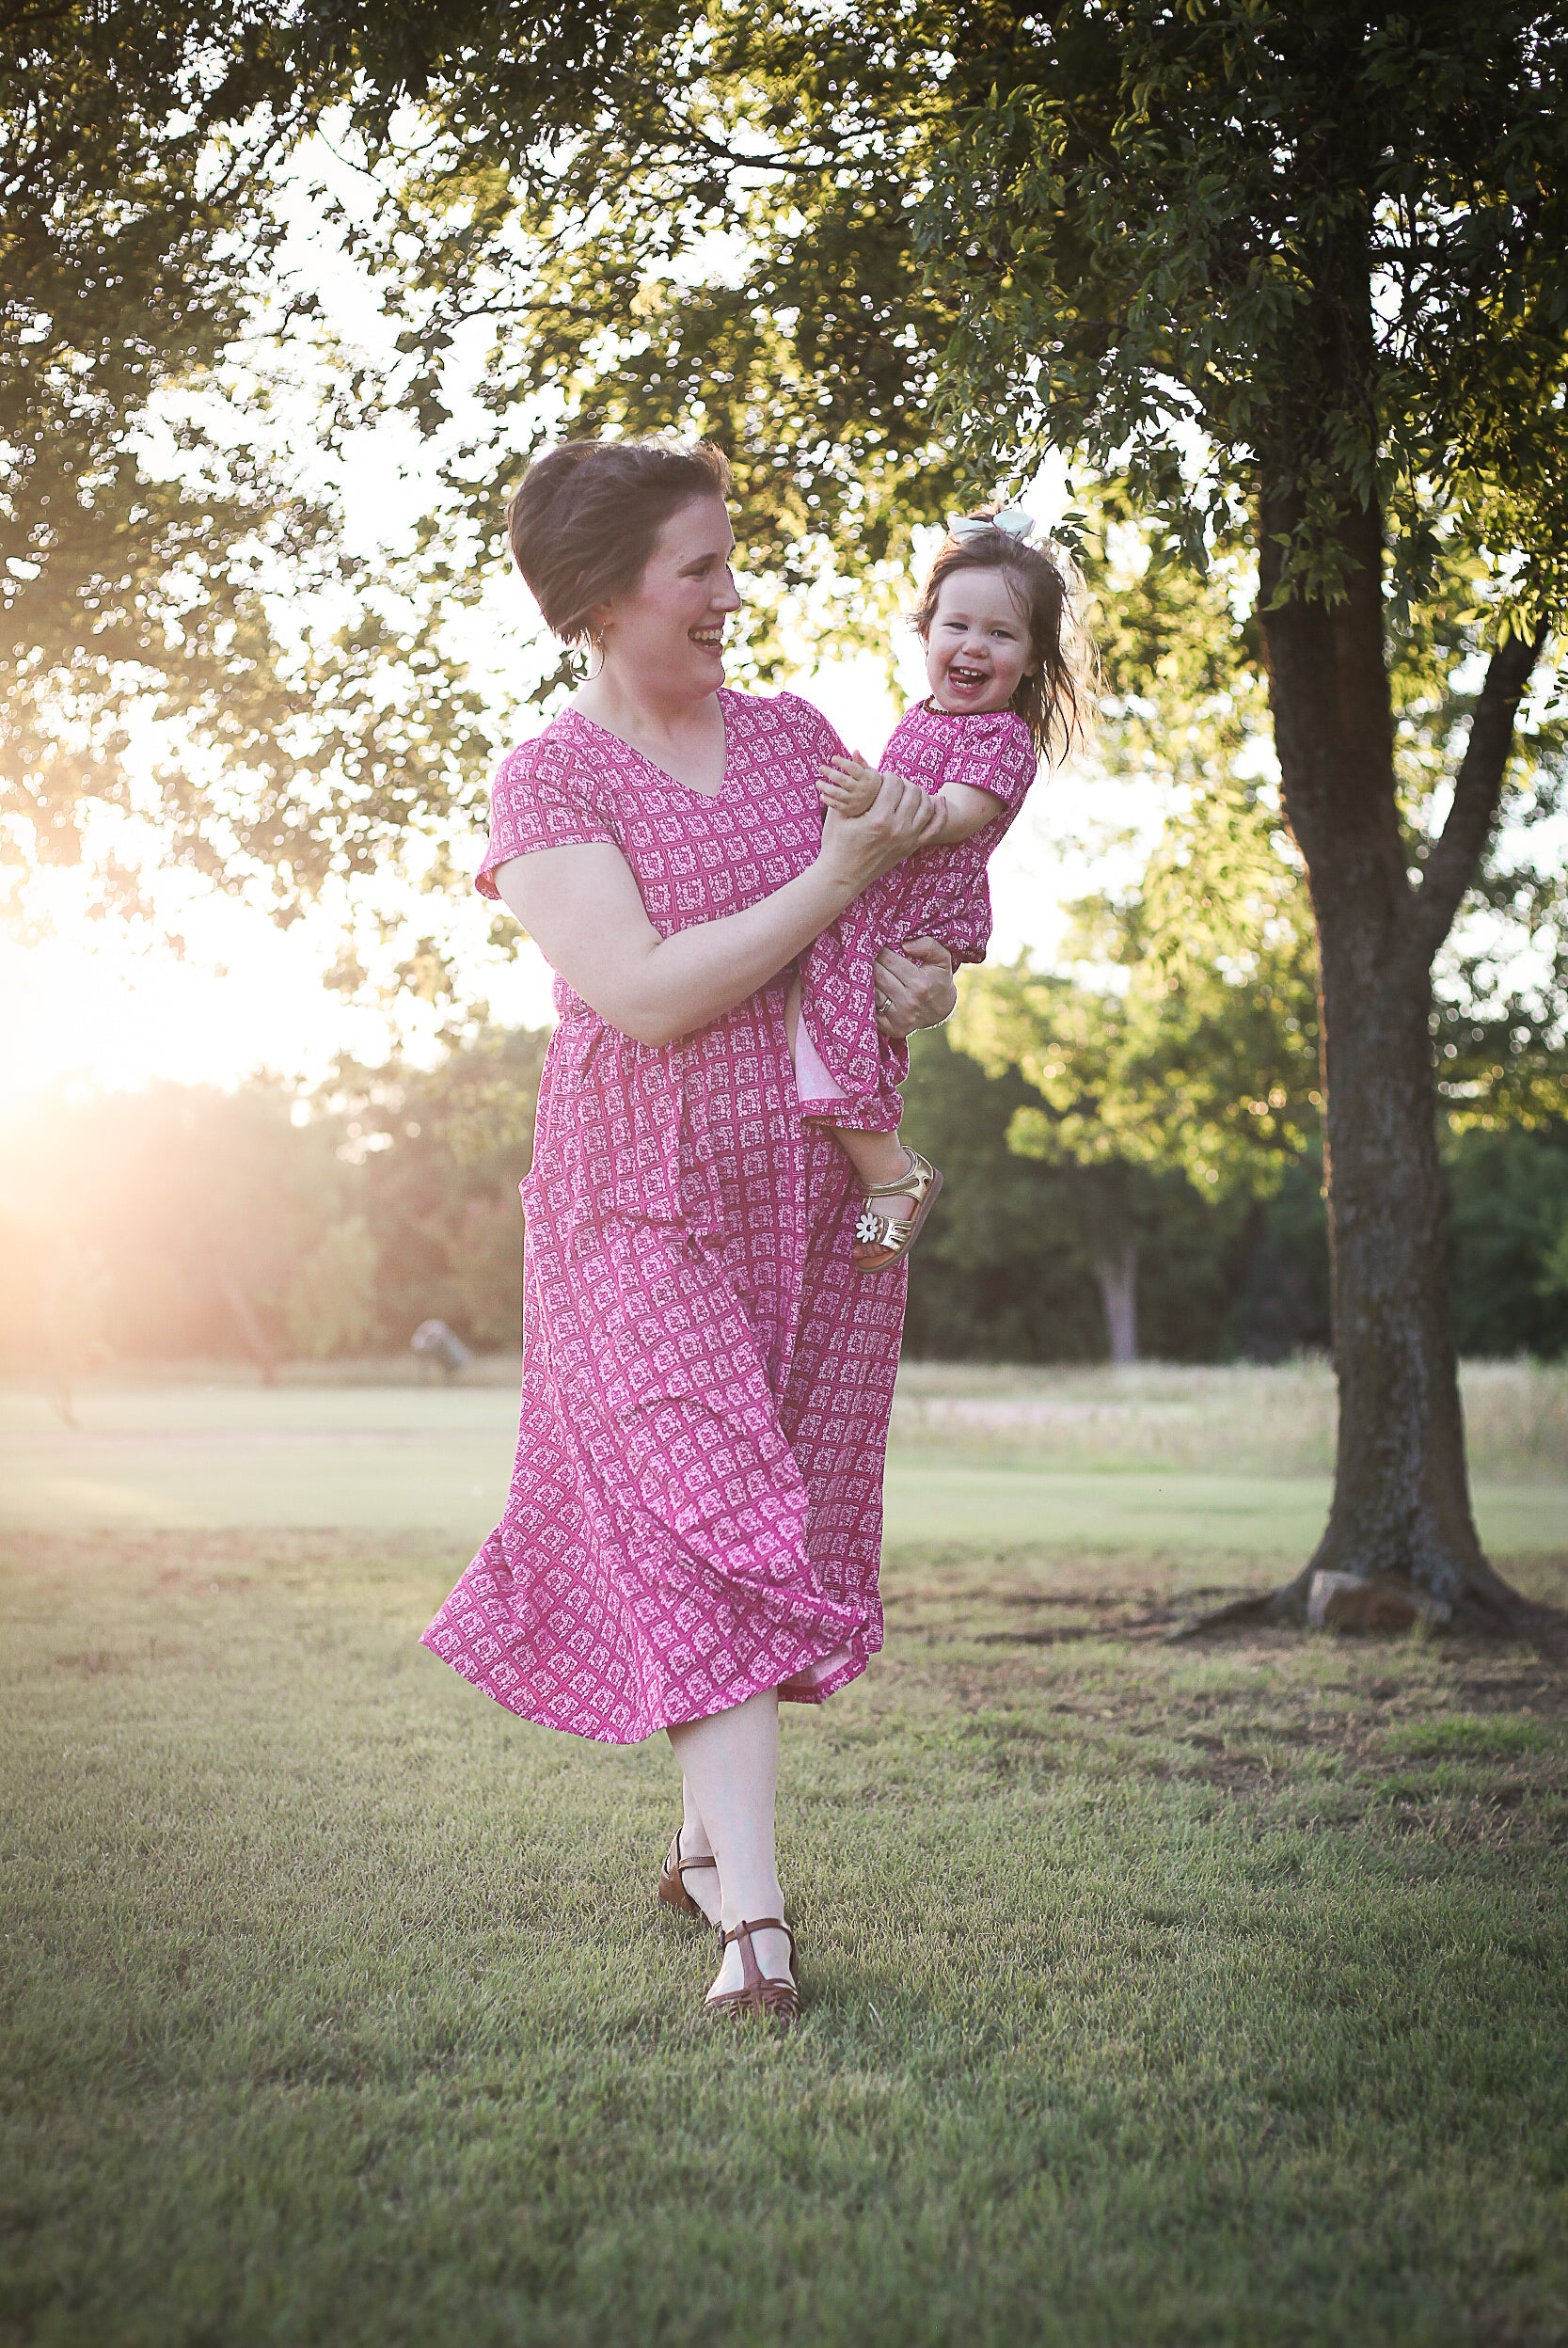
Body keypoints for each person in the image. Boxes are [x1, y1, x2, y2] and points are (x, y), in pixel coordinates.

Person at [421, 437, 958, 2027]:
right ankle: (761, 1938)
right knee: (710, 1513)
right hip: (630, 1204)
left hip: (793, 1192)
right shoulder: (551, 779)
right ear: (601, 598)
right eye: (700, 569)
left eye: (730, 561)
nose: (733, 593)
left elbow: (859, 945)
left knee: (747, 1518)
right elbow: (644, 993)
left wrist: (899, 966)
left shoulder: (797, 737)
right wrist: (843, 875)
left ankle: (703, 1852)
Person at [789, 510, 1089, 1272]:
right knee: (819, 1018)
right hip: (880, 897)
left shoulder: (1000, 740)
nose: (973, 647)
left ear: (1030, 659)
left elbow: (952, 817)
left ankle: (891, 1172)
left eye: (1001, 634)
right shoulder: (919, 719)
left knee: (835, 1026)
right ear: (925, 635)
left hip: (913, 911)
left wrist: (869, 797)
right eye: (957, 625)